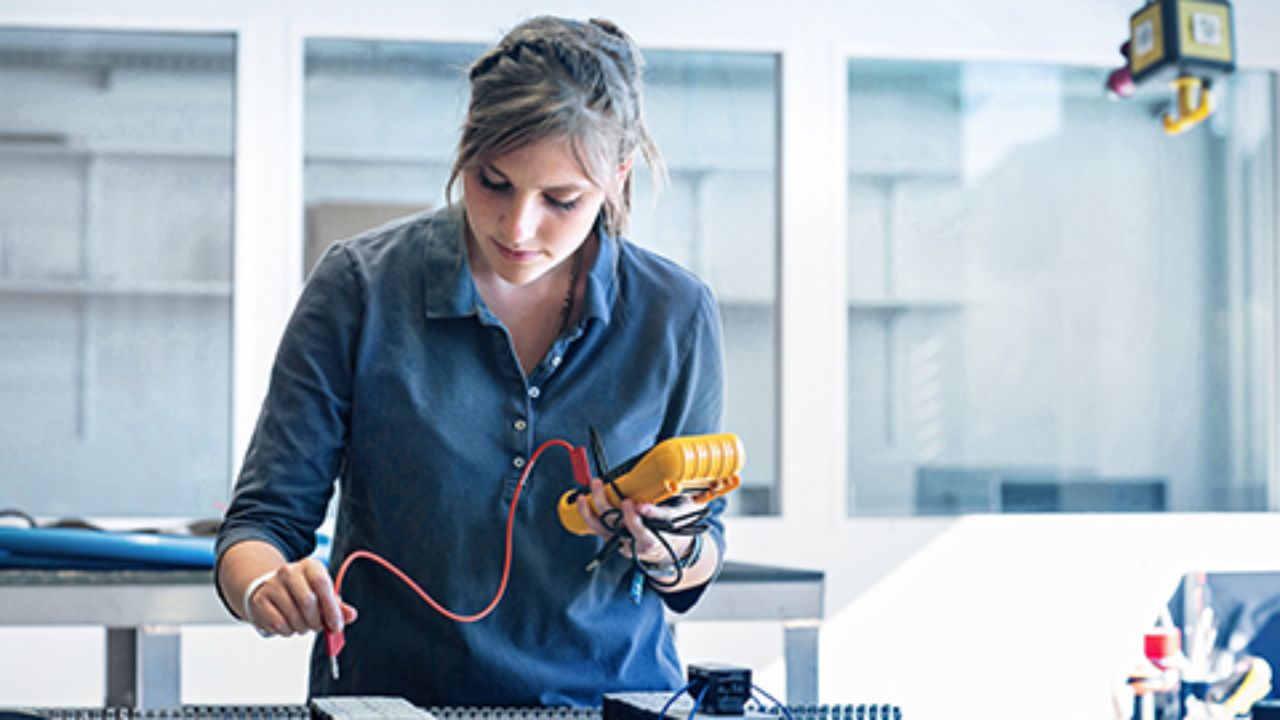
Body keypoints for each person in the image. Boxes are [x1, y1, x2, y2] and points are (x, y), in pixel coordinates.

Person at [214, 15, 728, 709]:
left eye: (561, 200)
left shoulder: (677, 313)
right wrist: (262, 587)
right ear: (464, 155)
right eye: (493, 184)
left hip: (614, 701)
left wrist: (668, 549)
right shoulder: (360, 287)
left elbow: (697, 561)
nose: (518, 228)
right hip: (394, 704)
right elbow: (261, 525)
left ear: (617, 178)